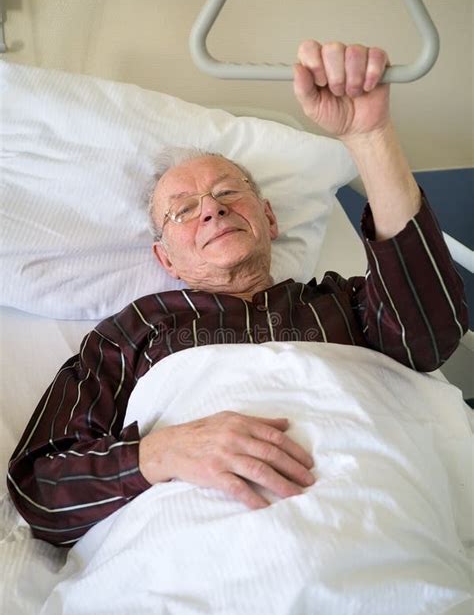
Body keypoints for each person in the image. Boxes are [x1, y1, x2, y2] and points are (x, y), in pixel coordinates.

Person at [7, 41, 467, 547]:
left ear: (269, 219)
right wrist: (164, 451)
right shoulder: (131, 333)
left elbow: (431, 329)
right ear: (167, 260)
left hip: (375, 525)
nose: (211, 210)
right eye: (183, 210)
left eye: (228, 193)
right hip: (191, 548)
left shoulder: (343, 303)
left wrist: (370, 136)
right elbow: (40, 489)